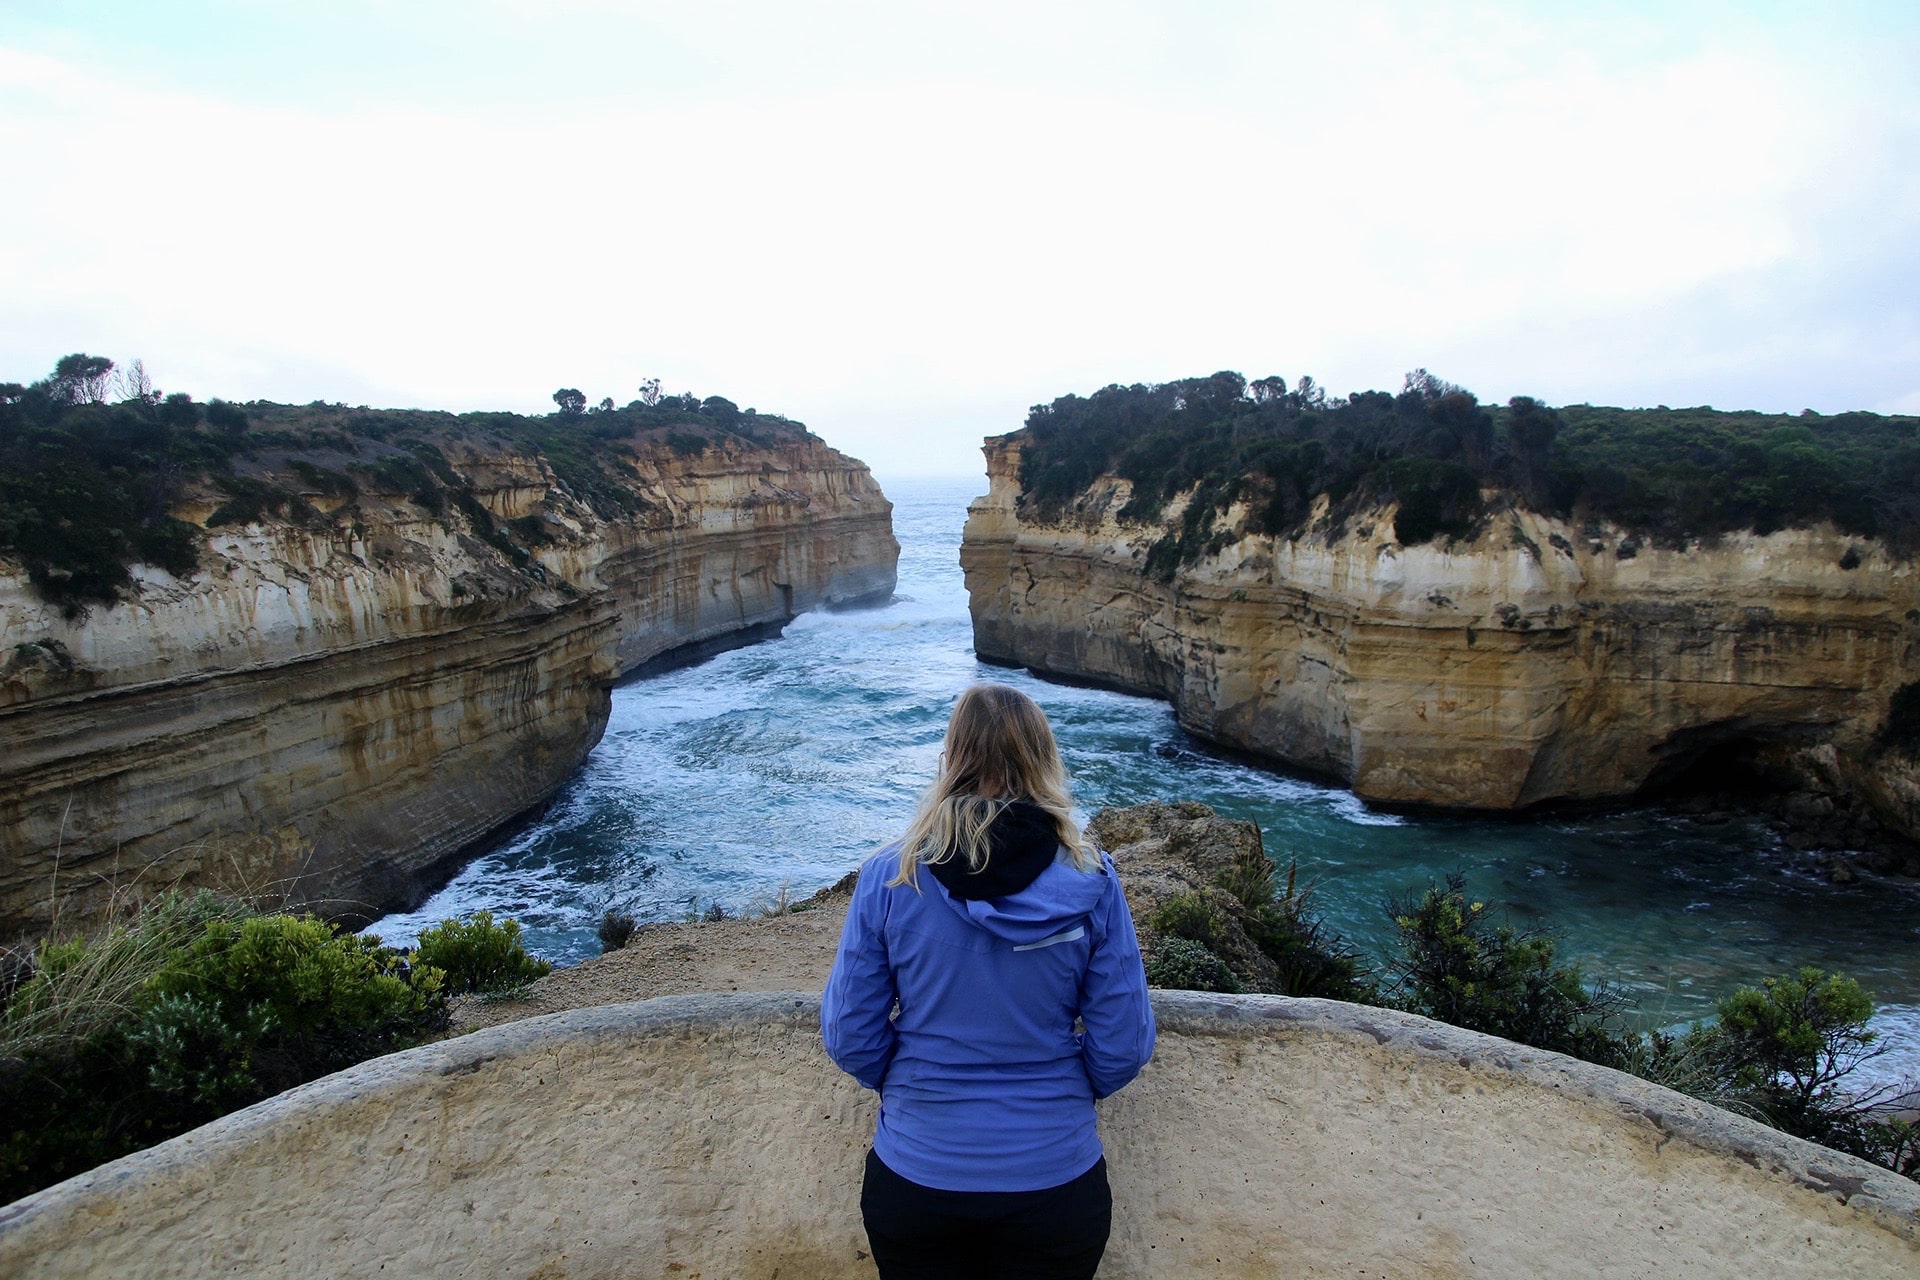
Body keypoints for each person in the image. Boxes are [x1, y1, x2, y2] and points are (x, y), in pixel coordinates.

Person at [822, 682, 1156, 1280]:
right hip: (1055, 1178)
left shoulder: (890, 878)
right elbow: (1124, 1044)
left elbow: (850, 1033)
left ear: (951, 758)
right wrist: (1056, 1095)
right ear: (1042, 759)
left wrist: (909, 1083)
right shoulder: (1092, 881)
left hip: (919, 1175)